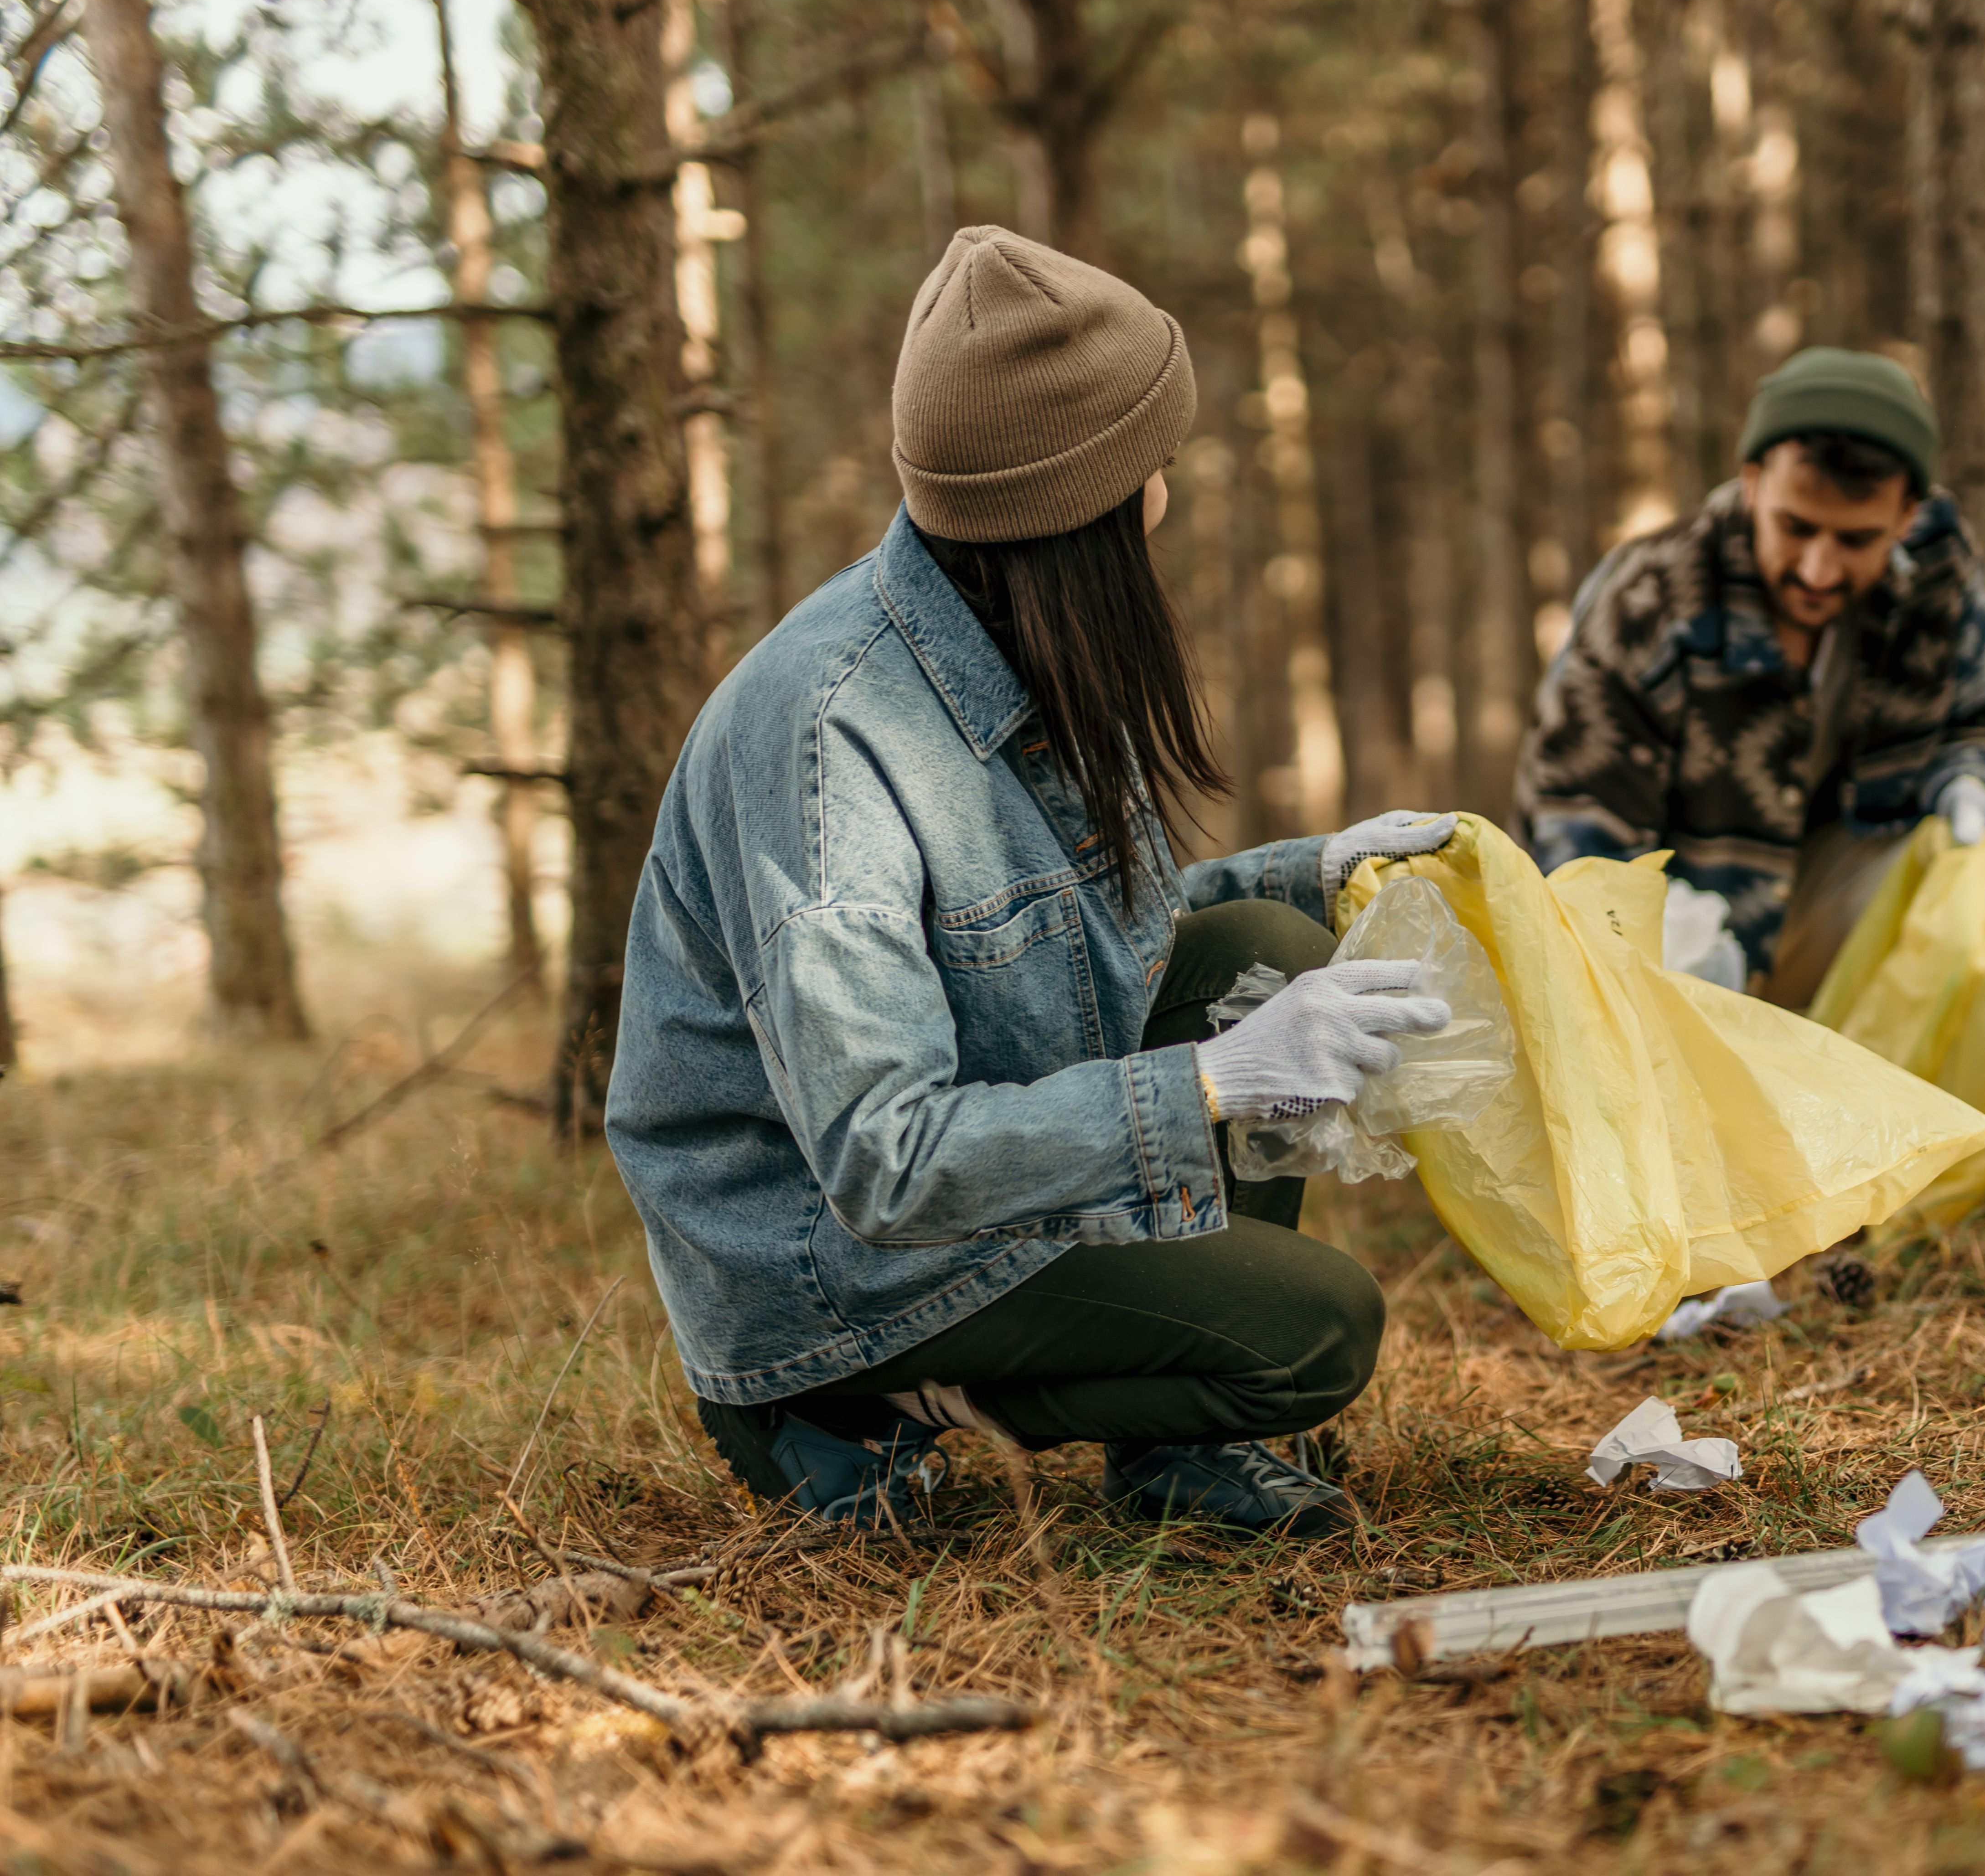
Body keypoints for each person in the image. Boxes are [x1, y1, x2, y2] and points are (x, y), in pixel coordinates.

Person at [605, 227, 1462, 1537]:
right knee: (1315, 1336)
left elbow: (1074, 941)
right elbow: (885, 1163)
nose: (1172, 489)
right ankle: (841, 1412)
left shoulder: (1008, 628)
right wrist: (1218, 1082)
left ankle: (1172, 1459)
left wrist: (1317, 868)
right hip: (842, 1268)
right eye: (1158, 466)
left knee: (1264, 939)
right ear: (1093, 504)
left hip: (974, 1187)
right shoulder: (835, 737)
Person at [1517, 347, 1985, 1005]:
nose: (1819, 571)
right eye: (1796, 529)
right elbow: (1574, 832)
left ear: (1907, 516)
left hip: (1827, 909)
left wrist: (1978, 784)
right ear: (1754, 481)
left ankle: (1940, 1106)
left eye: (1855, 541)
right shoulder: (1649, 598)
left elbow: (1984, 721)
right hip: (1680, 933)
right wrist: (1676, 935)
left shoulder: (1939, 572)